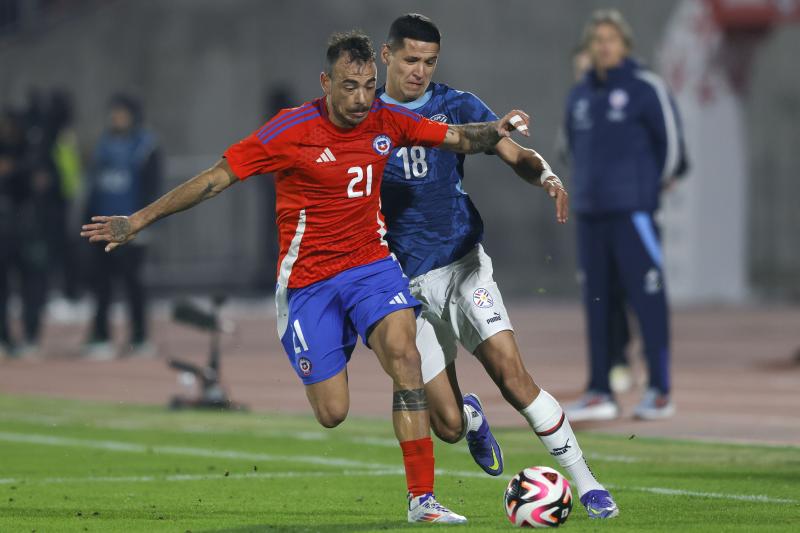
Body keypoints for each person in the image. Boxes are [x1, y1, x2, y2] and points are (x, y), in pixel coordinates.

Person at [81, 30, 533, 523]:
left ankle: (421, 500)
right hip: (309, 281)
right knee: (332, 412)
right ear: (326, 82)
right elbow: (214, 180)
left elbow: (461, 137)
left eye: (368, 84)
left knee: (404, 355)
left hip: (371, 267)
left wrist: (498, 127)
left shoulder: (388, 118)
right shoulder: (290, 130)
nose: (361, 98)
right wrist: (137, 221)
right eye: (349, 86)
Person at [378, 14, 618, 519]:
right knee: (444, 425)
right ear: (386, 56)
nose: (419, 71)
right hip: (405, 287)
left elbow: (511, 150)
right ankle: (469, 417)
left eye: (429, 61)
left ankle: (588, 482)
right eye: (410, 60)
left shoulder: (455, 105)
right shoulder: (365, 120)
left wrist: (548, 176)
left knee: (512, 375)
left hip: (463, 266)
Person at [563, 9, 687, 421]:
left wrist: (644, 193)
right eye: (596, 40)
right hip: (591, 215)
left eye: (610, 39)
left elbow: (674, 151)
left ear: (625, 45)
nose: (603, 46)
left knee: (647, 301)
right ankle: (600, 391)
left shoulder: (645, 88)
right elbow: (569, 149)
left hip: (634, 215)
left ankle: (660, 390)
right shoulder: (580, 95)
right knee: (597, 304)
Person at [83, 94, 161, 359]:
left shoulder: (145, 146)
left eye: (121, 112)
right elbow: (93, 187)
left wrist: (144, 223)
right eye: (113, 112)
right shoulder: (103, 145)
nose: (115, 117)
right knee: (101, 284)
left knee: (133, 284)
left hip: (131, 226)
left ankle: (139, 337)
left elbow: (153, 188)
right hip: (103, 225)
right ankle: (100, 336)